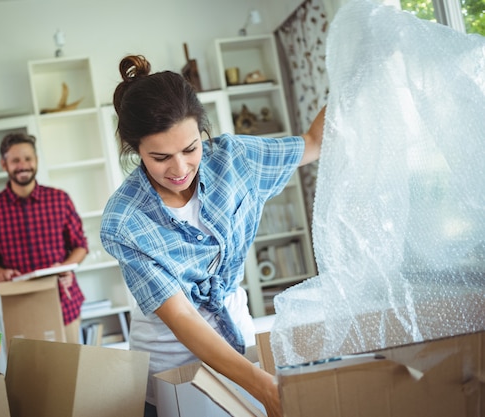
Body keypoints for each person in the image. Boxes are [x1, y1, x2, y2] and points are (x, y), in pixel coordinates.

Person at [99, 55, 325, 417]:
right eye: (160, 157)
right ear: (135, 149)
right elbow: (183, 318)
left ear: (203, 131)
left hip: (240, 342)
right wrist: (265, 386)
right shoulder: (124, 220)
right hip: (171, 367)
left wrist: (356, 78)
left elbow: (314, 142)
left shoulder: (235, 159)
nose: (180, 169)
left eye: (191, 149)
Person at [0, 132, 88, 343]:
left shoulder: (59, 199)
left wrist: (65, 266)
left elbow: (80, 246)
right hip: (19, 307)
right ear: (4, 164)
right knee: (33, 374)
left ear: (36, 161)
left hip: (63, 302)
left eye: (28, 158)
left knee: (70, 372)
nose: (23, 165)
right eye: (15, 160)